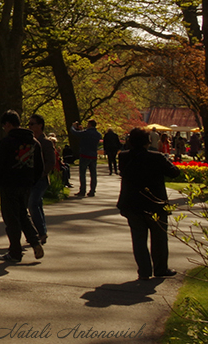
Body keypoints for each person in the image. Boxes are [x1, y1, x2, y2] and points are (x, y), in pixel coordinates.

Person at [117, 127, 180, 281]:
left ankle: (144, 270)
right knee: (159, 238)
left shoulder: (124, 157)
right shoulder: (156, 158)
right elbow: (174, 172)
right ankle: (160, 268)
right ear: (148, 141)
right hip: (155, 203)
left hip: (132, 203)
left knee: (138, 239)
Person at [0, 110, 44, 263]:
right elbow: (39, 167)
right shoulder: (34, 142)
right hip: (26, 184)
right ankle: (34, 242)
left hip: (9, 184)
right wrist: (31, 181)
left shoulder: (7, 142)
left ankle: (15, 251)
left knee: (11, 218)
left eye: (4, 126)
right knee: (23, 214)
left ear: (8, 124)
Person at [27, 114, 57, 244]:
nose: (30, 126)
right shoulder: (29, 141)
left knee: (33, 204)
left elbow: (51, 162)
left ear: (40, 125)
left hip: (41, 179)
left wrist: (42, 173)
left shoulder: (46, 142)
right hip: (31, 179)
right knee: (37, 205)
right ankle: (42, 231)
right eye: (29, 124)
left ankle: (41, 233)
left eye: (32, 124)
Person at [70, 120, 102, 197]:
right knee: (93, 174)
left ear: (90, 124)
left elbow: (75, 133)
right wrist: (82, 130)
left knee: (82, 173)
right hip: (93, 155)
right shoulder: (98, 134)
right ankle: (92, 191)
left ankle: (82, 190)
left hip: (85, 154)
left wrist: (73, 127)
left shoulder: (86, 132)